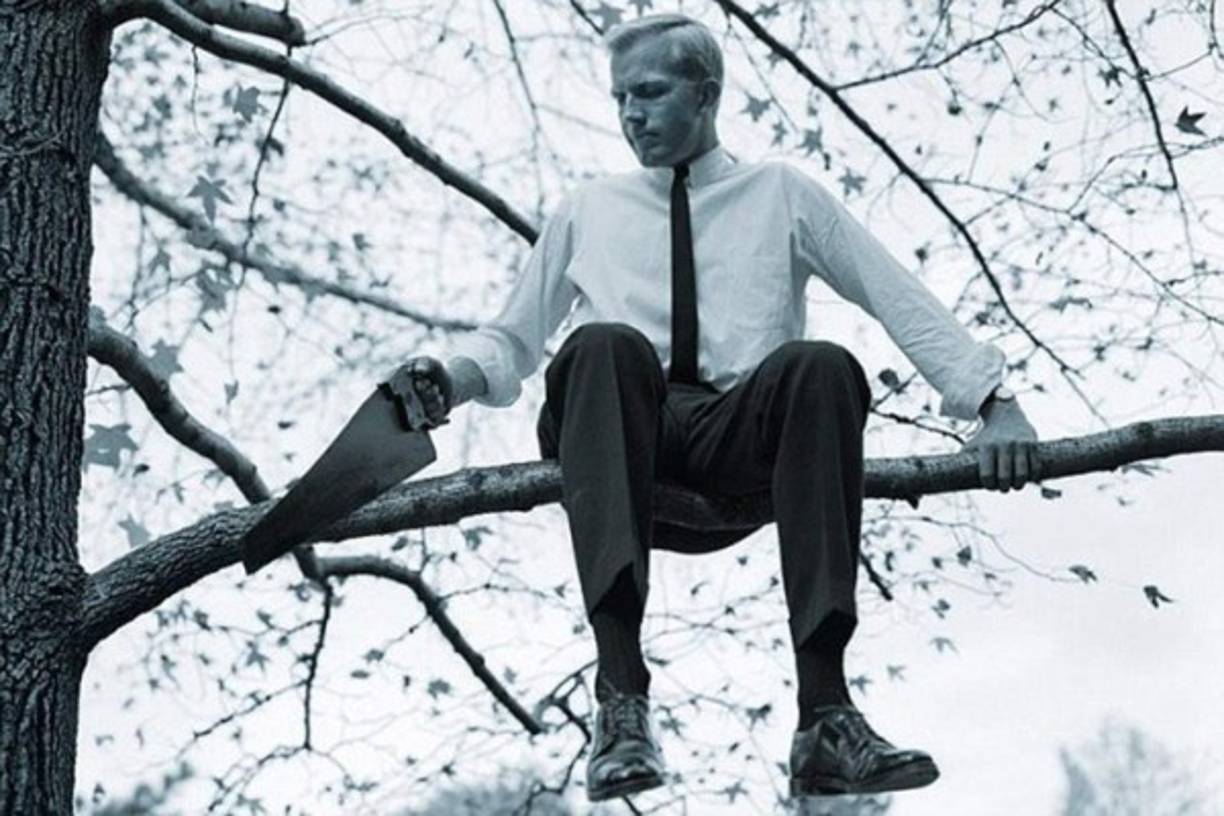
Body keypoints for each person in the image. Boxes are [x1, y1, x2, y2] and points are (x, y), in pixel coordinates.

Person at [400, 12, 1039, 803]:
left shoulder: (781, 193)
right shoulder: (589, 208)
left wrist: (991, 400)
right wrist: (450, 380)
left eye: (650, 92)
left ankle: (825, 718)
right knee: (603, 344)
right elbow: (513, 338)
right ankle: (621, 702)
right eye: (620, 98)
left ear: (705, 95)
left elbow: (892, 292)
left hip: (734, 447)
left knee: (822, 366)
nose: (631, 114)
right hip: (614, 436)